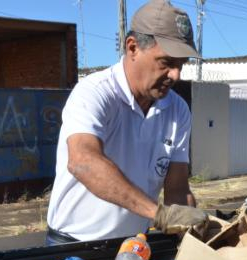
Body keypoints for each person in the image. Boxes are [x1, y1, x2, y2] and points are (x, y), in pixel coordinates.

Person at [46, 0, 209, 244]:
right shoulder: (95, 93)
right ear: (132, 47)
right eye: (166, 63)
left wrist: (194, 228)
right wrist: (160, 214)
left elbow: (177, 187)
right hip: (73, 244)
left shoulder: (177, 110)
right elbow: (83, 162)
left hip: (135, 245)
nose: (176, 75)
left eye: (181, 65)